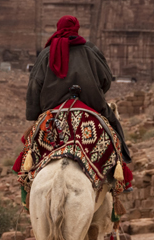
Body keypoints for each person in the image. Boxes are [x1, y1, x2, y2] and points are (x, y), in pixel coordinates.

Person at [26, 15, 131, 163]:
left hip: (52, 109)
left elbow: (34, 85)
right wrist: (95, 91)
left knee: (28, 150)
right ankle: (122, 173)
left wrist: (34, 114)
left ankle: (26, 180)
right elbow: (106, 79)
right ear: (77, 29)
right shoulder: (91, 50)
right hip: (91, 105)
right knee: (114, 132)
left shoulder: (46, 54)